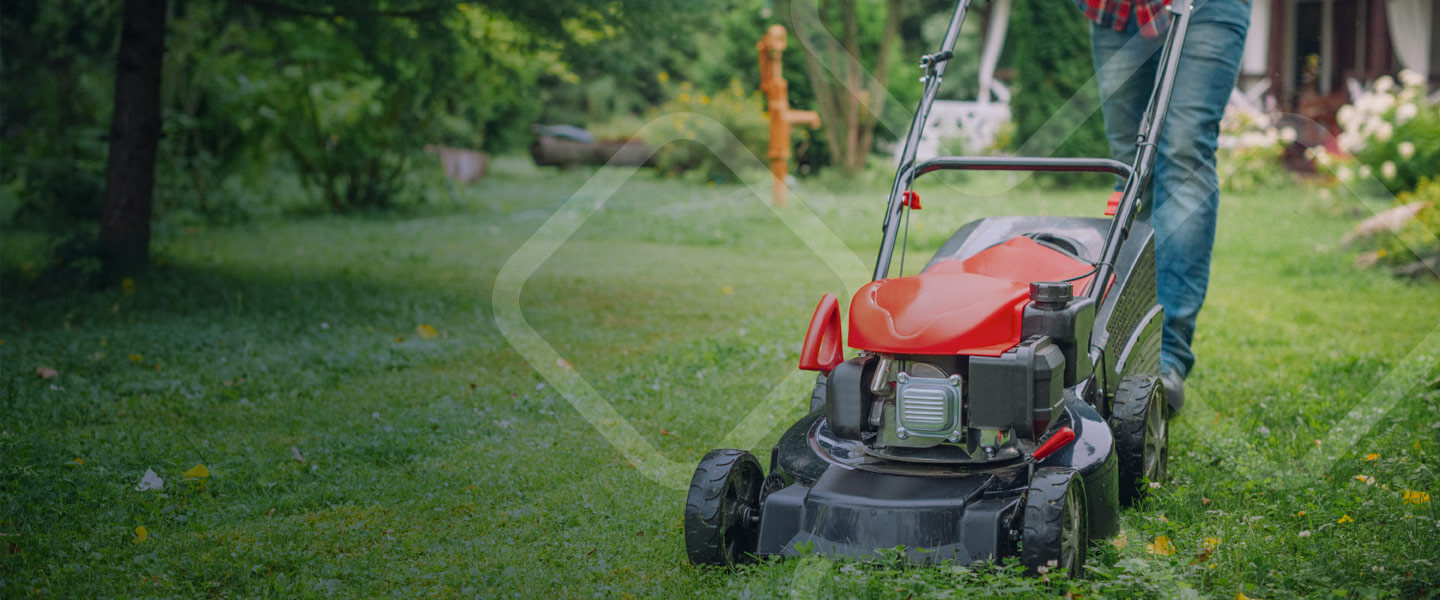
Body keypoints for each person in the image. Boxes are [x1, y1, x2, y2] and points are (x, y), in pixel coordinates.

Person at [1079, 0, 1250, 412]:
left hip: (1206, 7)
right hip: (1117, 11)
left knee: (1185, 153)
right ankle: (1122, 341)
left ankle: (1167, 355)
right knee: (1132, 166)